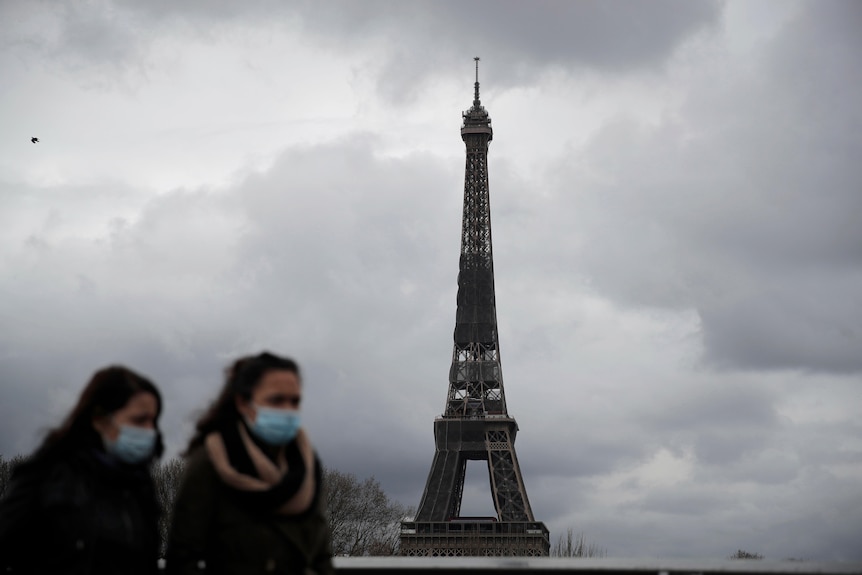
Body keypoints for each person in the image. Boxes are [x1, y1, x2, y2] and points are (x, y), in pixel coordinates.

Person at [166, 352, 333, 575]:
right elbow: (181, 558)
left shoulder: (306, 461)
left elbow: (322, 556)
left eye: (294, 401)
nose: (288, 410)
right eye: (276, 400)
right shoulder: (212, 461)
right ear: (244, 402)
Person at [0, 366, 164, 574]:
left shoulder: (140, 487)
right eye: (139, 420)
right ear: (100, 419)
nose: (150, 431)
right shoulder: (47, 475)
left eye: (153, 421)